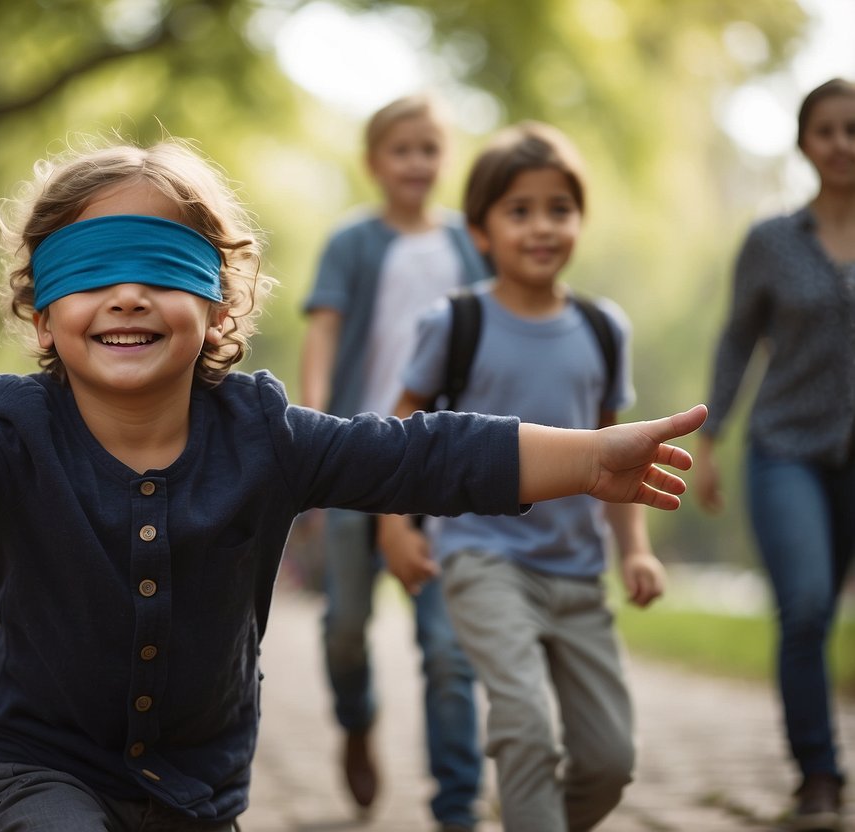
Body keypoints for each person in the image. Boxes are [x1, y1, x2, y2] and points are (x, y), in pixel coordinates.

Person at [0, 137, 707, 832]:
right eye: (90, 270)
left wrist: (590, 457)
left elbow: (420, 454)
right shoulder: (16, 428)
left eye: (164, 267)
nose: (127, 290)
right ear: (41, 314)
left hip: (197, 779)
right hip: (35, 760)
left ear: (219, 308)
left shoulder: (263, 432)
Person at [378, 121, 664, 832]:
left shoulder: (603, 329)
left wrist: (634, 548)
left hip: (575, 569)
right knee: (526, 727)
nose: (541, 227)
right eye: (518, 210)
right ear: (479, 231)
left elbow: (615, 456)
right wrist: (392, 528)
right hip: (481, 555)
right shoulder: (455, 322)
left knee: (609, 759)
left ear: (579, 220)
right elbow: (400, 434)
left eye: (558, 209)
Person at [300, 93, 490, 829]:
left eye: (429, 149)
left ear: (446, 159)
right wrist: (311, 431)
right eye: (401, 150)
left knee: (447, 647)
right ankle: (357, 720)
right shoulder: (352, 242)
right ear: (374, 162)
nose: (416, 163)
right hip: (355, 459)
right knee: (344, 628)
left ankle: (456, 805)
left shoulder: (469, 244)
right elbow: (322, 335)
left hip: (445, 464)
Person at [695, 77, 855, 831]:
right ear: (803, 143)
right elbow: (735, 341)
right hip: (784, 445)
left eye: (853, 129)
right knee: (805, 606)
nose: (841, 144)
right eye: (826, 130)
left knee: (824, 617)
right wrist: (709, 438)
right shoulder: (769, 242)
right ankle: (818, 775)